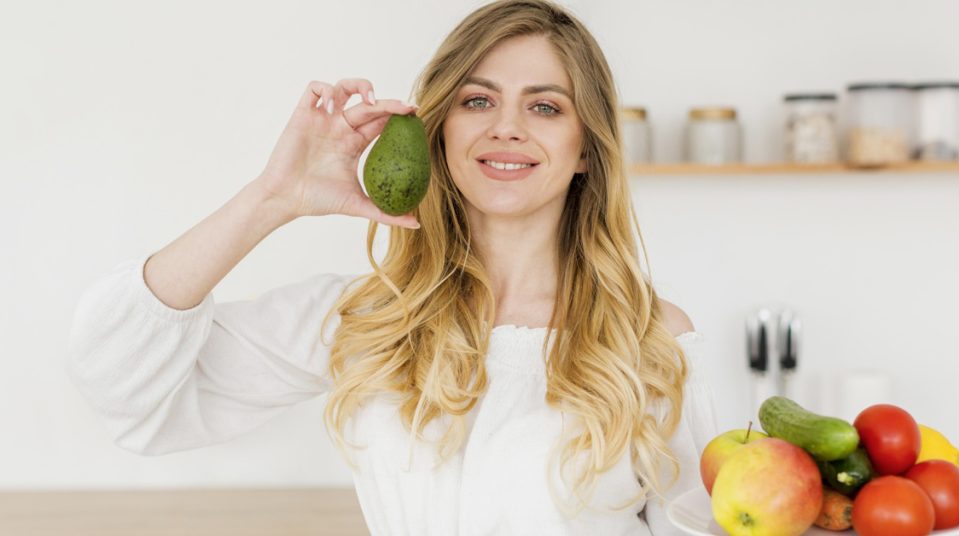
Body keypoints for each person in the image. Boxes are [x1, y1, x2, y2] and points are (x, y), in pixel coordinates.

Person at [67, 0, 720, 534]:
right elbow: (124, 387)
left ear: (585, 150)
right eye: (476, 101)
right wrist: (272, 197)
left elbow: (703, 525)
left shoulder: (649, 340)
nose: (507, 128)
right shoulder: (367, 321)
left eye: (545, 106)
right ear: (439, 131)